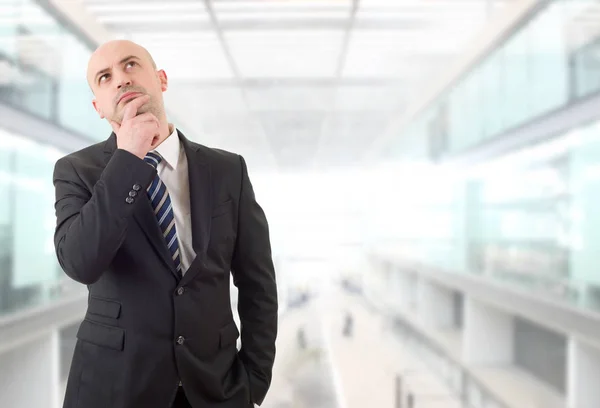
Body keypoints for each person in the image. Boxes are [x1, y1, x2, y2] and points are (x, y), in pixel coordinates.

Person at [52, 40, 278, 408]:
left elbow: (258, 284)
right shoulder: (76, 171)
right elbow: (80, 262)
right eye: (105, 77)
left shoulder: (228, 170)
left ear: (161, 80)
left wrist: (254, 380)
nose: (121, 80)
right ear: (97, 106)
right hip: (114, 389)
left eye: (130, 65)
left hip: (216, 388)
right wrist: (127, 157)